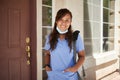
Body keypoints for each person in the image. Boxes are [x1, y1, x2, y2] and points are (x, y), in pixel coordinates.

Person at [44, 8, 85, 80]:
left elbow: (82, 56)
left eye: (67, 20)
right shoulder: (50, 37)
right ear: (56, 21)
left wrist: (74, 68)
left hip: (70, 77)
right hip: (53, 77)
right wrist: (47, 66)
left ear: (70, 22)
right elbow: (47, 54)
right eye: (61, 20)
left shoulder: (75, 37)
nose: (64, 23)